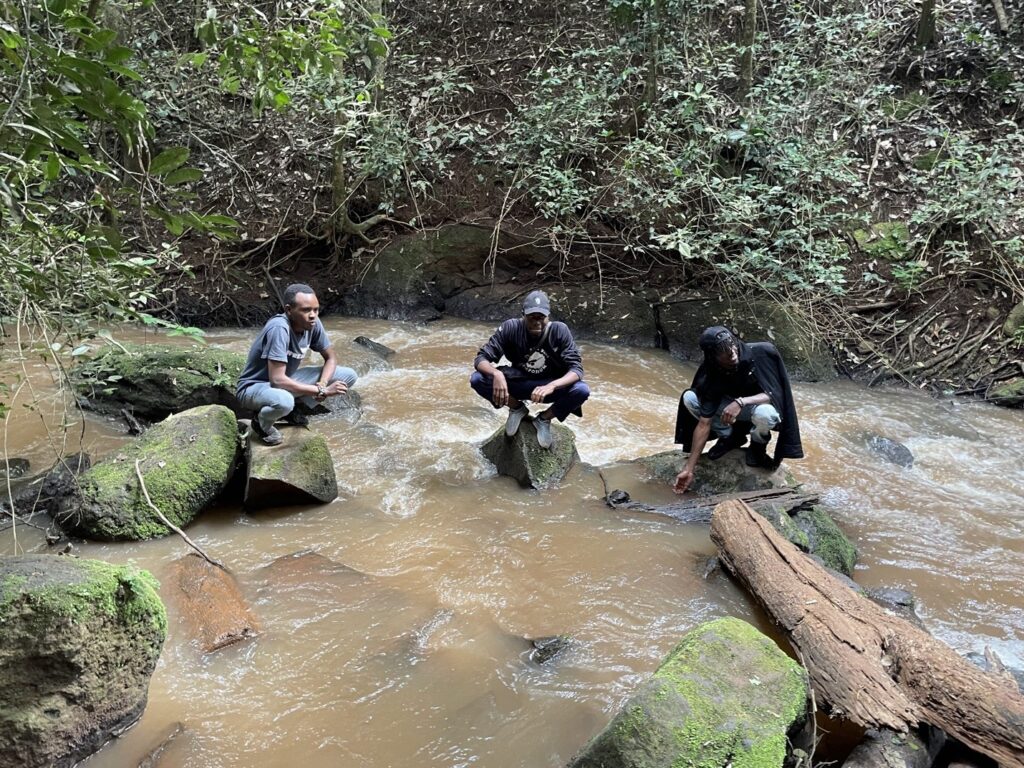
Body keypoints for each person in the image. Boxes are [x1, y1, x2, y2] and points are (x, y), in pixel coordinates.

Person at [673, 325, 802, 493]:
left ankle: (758, 446)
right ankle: (729, 437)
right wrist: (689, 469)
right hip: (728, 416)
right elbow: (704, 423)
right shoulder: (711, 372)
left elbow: (776, 394)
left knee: (766, 414)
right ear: (713, 357)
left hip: (758, 409)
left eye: (732, 347)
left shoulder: (762, 352)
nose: (732, 354)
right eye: (724, 352)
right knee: (690, 398)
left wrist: (741, 402)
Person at [236, 283, 358, 446]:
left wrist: (322, 383)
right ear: (288, 310)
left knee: (348, 375)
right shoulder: (279, 328)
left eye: (316, 309)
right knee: (285, 400)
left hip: (284, 381)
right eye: (306, 310)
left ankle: (294, 410)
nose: (313, 315)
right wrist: (322, 390)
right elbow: (277, 380)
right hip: (254, 387)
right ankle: (261, 423)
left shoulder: (313, 324)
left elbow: (331, 358)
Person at [470, 290, 590, 449]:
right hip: (520, 382)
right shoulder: (511, 327)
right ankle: (517, 408)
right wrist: (496, 373)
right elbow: (481, 358)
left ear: (548, 316)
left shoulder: (560, 330)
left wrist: (552, 385)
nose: (537, 322)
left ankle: (544, 419)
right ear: (523, 315)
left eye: (541, 318)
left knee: (581, 390)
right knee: (477, 379)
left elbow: (577, 369)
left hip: (548, 387)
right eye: (532, 317)